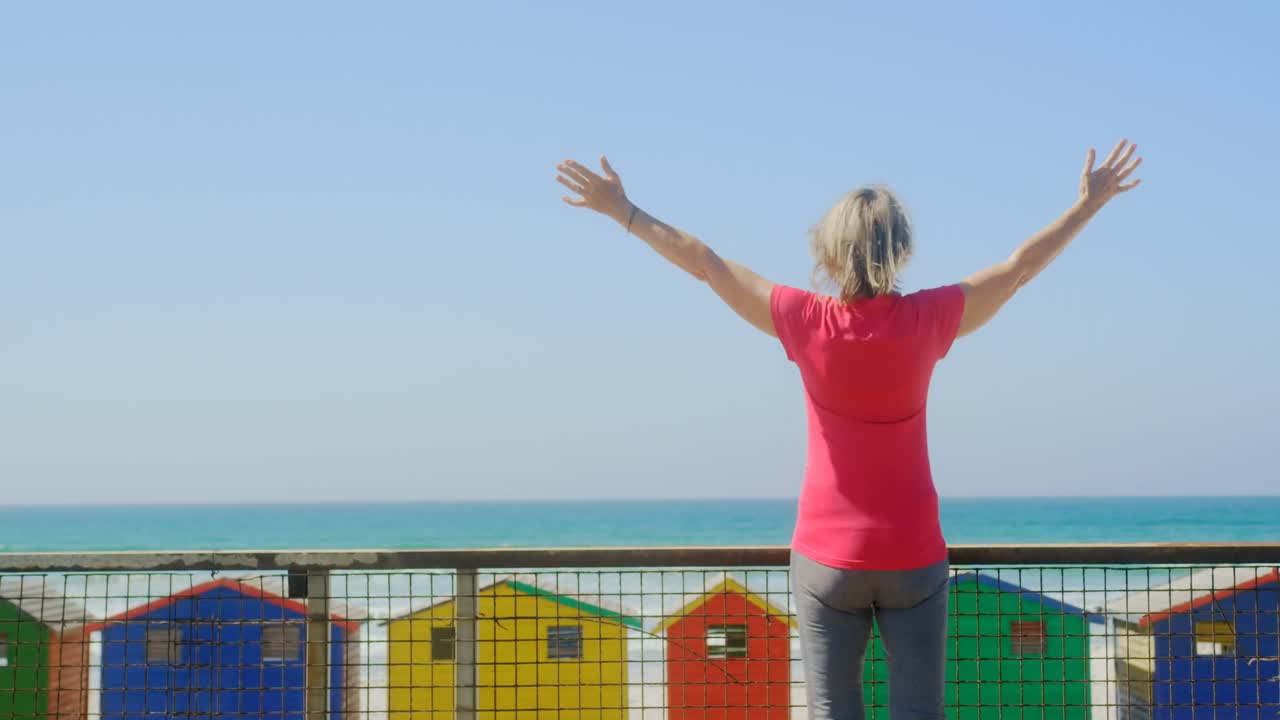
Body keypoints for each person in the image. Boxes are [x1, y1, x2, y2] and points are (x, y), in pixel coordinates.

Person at [554, 140, 1142, 720]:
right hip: (913, 552)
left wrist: (623, 212)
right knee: (920, 711)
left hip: (827, 559)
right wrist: (1086, 207)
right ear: (903, 249)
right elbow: (1017, 272)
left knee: (834, 710)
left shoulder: (804, 320)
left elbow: (707, 265)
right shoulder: (929, 320)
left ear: (830, 253)